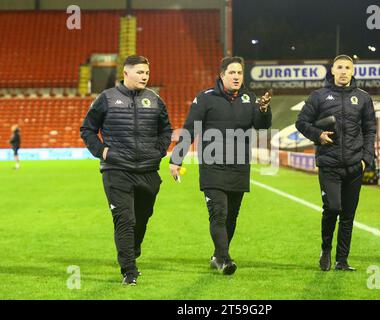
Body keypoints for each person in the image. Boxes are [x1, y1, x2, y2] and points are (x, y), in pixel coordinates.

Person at [169, 56, 272, 275]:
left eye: (239, 73)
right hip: (212, 166)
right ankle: (225, 260)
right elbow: (189, 130)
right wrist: (176, 159)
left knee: (231, 216)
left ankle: (218, 255)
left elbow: (262, 126)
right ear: (222, 75)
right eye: (232, 73)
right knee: (218, 213)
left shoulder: (250, 97)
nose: (236, 76)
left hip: (239, 166)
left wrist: (263, 110)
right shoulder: (205, 98)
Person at [80, 55, 173, 285]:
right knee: (124, 219)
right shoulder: (107, 98)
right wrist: (102, 152)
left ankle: (133, 251)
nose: (145, 76)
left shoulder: (155, 100)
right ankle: (129, 271)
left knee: (141, 219)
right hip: (116, 170)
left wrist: (159, 151)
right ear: (126, 73)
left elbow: (166, 130)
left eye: (147, 73)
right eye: (140, 72)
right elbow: (88, 129)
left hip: (148, 171)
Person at [295, 54, 376, 272]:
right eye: (339, 67)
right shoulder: (319, 96)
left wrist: (365, 159)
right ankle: (325, 249)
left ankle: (342, 260)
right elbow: (301, 122)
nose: (343, 71)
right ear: (332, 70)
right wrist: (318, 135)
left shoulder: (363, 98)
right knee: (333, 207)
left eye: (347, 67)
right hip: (329, 164)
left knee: (348, 215)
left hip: (354, 165)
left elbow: (370, 130)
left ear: (353, 71)